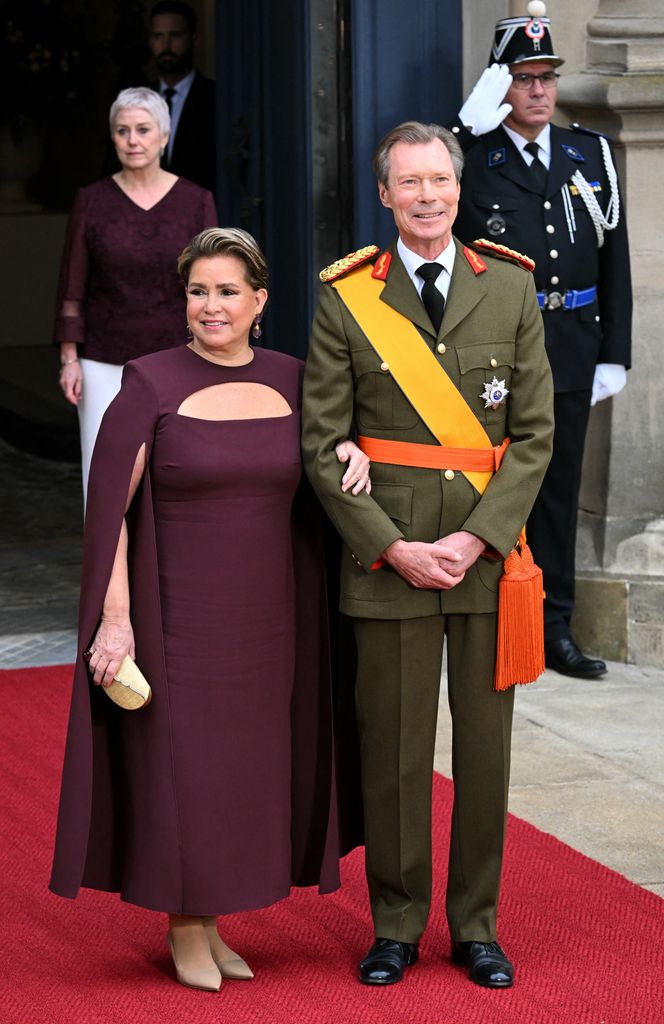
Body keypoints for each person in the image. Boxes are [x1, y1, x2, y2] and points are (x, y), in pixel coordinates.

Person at [50, 227, 370, 991]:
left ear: (260, 301)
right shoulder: (150, 382)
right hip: (176, 620)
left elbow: (331, 459)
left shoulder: (297, 378)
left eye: (228, 291)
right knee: (184, 768)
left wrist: (358, 449)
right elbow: (111, 515)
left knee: (246, 771)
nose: (211, 306)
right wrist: (116, 620)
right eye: (198, 292)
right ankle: (186, 924)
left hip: (272, 619)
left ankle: (216, 918)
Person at [302, 121, 554, 989]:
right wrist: (394, 548)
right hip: (392, 562)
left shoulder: (511, 289)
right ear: (384, 195)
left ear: (458, 186)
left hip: (485, 558)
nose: (426, 196)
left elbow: (534, 436)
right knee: (398, 755)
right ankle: (398, 925)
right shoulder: (345, 298)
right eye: (408, 183)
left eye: (438, 180)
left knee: (485, 754)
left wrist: (473, 537)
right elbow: (322, 444)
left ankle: (477, 925)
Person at [452, 1, 632, 679]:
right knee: (490, 487)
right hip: (498, 351)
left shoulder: (593, 154)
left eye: (546, 77)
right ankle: (485, 618)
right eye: (523, 77)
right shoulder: (473, 157)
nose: (537, 90)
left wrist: (616, 349)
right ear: (502, 84)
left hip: (572, 344)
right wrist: (463, 127)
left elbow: (615, 260)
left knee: (557, 490)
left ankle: (554, 627)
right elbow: (420, 194)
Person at [56, 86, 218, 496]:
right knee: (105, 478)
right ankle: (107, 562)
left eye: (143, 130)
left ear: (164, 136)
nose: (133, 140)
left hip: (179, 356)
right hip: (103, 360)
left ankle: (164, 562)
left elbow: (212, 283)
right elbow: (72, 284)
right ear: (112, 137)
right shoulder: (91, 200)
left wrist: (217, 353)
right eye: (123, 130)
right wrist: (69, 359)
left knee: (175, 474)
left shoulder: (197, 202)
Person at [148, 1, 216, 191]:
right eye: (158, 36)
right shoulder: (136, 101)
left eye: (175, 36)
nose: (166, 45)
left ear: (194, 39)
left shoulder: (215, 99)